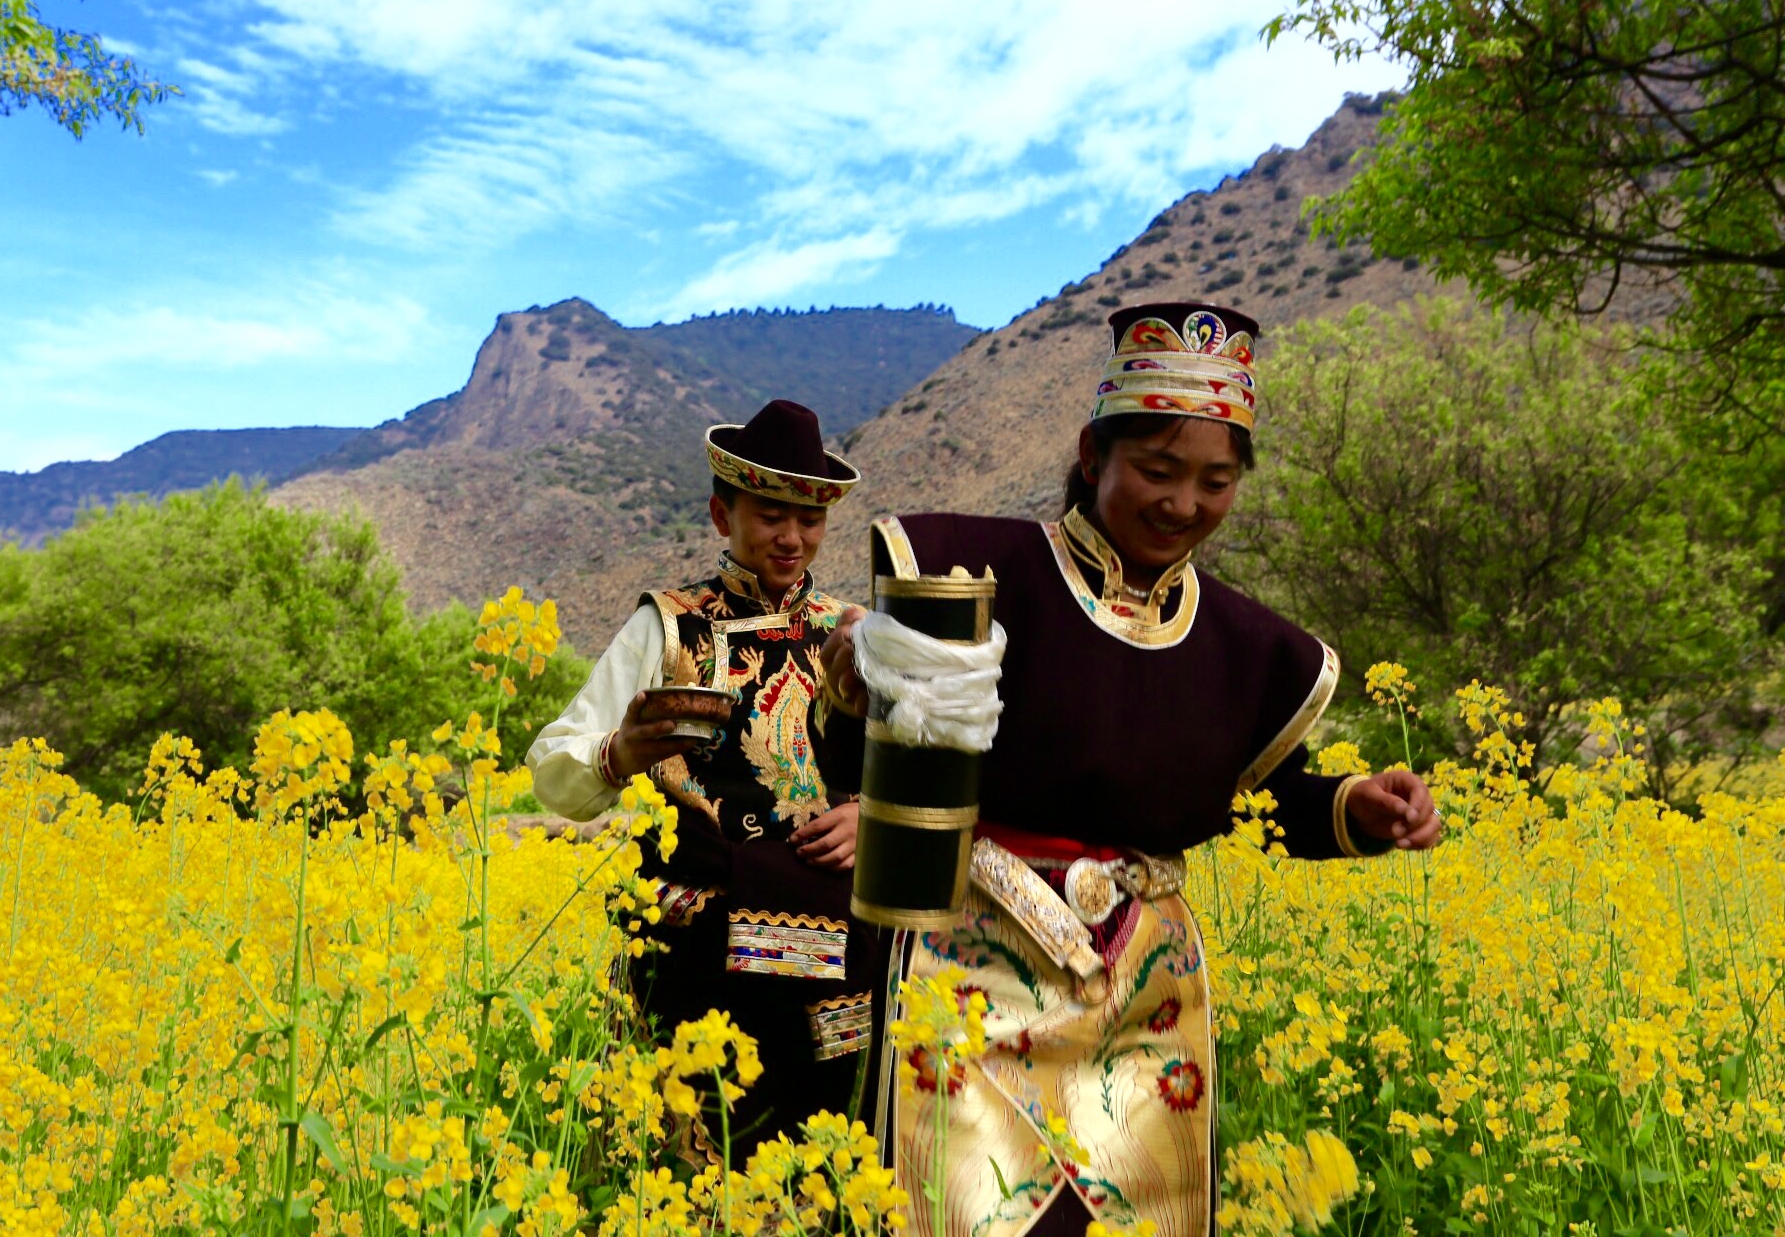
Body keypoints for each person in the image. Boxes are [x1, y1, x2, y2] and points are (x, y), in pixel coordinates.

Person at [817, 303, 1443, 1237]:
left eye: (1215, 482)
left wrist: (1359, 805)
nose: (1183, 504)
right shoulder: (980, 574)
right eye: (1156, 470)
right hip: (972, 962)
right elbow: (851, 734)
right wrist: (861, 662)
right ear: (1091, 454)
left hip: (1145, 988)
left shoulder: (1249, 647)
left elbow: (1267, 803)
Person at [529, 398, 875, 1158]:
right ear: (723, 515)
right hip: (693, 957)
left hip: (834, 958)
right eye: (770, 514)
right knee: (688, 1168)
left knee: (822, 1163)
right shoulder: (667, 627)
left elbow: (922, 776)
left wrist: (871, 819)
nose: (792, 537)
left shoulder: (856, 632)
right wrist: (619, 755)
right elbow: (555, 764)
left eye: (809, 518)